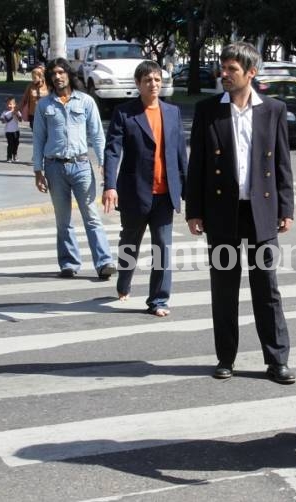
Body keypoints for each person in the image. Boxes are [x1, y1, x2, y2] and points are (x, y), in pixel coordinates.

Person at [186, 41, 296, 384]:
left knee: (267, 288)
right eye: (223, 68)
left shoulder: (273, 110)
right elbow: (197, 164)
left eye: (232, 69)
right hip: (222, 211)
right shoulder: (208, 110)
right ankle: (226, 357)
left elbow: (282, 163)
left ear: (251, 72)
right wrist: (194, 210)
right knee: (224, 287)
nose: (225, 74)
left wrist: (286, 207)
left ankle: (276, 360)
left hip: (261, 211)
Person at [102, 61, 188, 317]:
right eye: (148, 80)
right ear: (138, 84)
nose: (153, 84)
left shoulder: (172, 112)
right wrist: (110, 185)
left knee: (163, 247)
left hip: (165, 194)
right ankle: (124, 281)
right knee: (130, 243)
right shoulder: (125, 113)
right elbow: (112, 151)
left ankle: (159, 300)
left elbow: (181, 154)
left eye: (157, 80)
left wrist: (188, 192)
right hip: (134, 192)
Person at [32, 58, 116, 280]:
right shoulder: (44, 105)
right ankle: (69, 263)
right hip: (54, 167)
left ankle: (104, 261)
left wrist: (104, 164)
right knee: (63, 220)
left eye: (61, 72)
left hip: (81, 166)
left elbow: (98, 136)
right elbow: (39, 138)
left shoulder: (86, 102)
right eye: (53, 74)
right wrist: (37, 170)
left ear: (69, 75)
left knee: (91, 216)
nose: (57, 77)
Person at [0, 96, 22, 163]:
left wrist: (17, 115)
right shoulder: (5, 113)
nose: (9, 105)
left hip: (16, 131)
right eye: (8, 104)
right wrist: (10, 116)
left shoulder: (17, 111)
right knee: (10, 144)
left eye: (11, 104)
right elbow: (3, 121)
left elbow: (20, 120)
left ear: (14, 105)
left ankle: (15, 155)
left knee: (16, 143)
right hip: (8, 131)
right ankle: (9, 157)